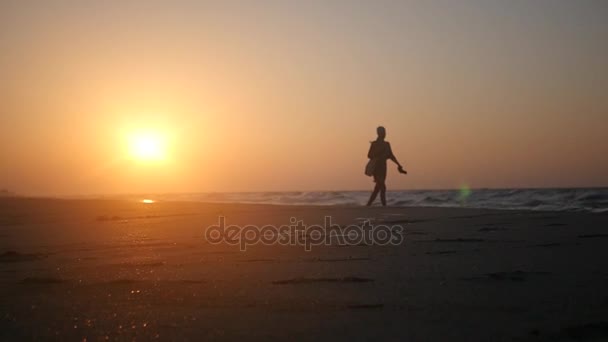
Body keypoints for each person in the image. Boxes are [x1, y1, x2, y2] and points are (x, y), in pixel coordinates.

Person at [366, 126, 406, 206]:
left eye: (384, 132)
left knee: (377, 188)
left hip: (383, 168)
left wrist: (399, 165)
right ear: (378, 133)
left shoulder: (387, 144)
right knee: (383, 187)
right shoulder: (374, 144)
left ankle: (368, 205)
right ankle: (384, 206)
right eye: (382, 132)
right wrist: (378, 153)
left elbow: (391, 155)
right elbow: (369, 155)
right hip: (376, 168)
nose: (384, 134)